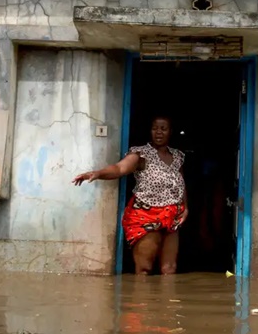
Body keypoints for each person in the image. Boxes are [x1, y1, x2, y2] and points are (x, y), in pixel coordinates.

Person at [73, 116, 188, 275]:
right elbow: (120, 169)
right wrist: (98, 173)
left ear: (171, 132)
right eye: (155, 128)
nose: (159, 132)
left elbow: (180, 183)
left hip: (172, 215)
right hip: (145, 215)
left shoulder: (178, 157)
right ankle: (140, 298)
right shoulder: (141, 154)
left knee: (169, 270)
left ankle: (165, 299)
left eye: (163, 128)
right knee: (144, 270)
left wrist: (185, 207)